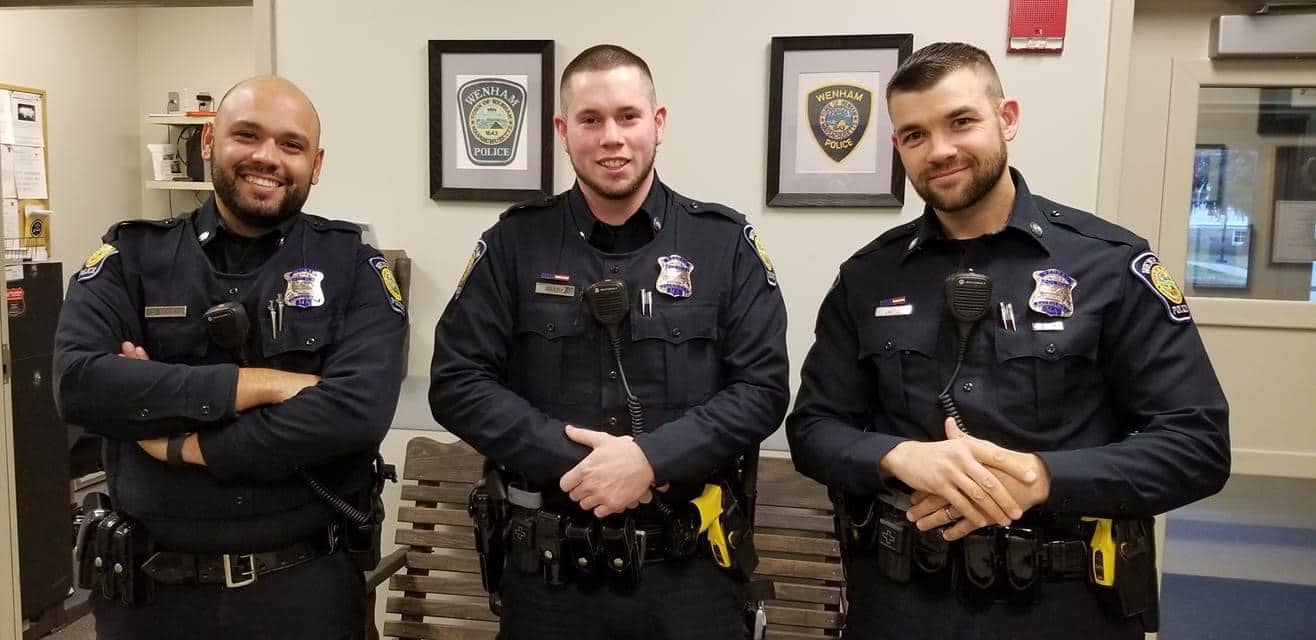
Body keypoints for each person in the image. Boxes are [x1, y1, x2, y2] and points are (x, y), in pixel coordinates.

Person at [786, 42, 1229, 639]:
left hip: (1063, 606)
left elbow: (1196, 446)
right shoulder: (867, 277)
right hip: (902, 602)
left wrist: (1042, 478)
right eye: (915, 135)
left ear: (1007, 118)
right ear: (898, 149)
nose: (940, 150)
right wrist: (901, 457)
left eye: (961, 121)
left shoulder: (1109, 265)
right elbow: (813, 428)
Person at [430, 44, 789, 639]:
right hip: (549, 576)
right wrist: (583, 466)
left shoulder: (723, 245)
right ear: (562, 131)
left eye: (628, 116)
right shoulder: (515, 244)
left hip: (689, 574)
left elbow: (762, 388)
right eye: (591, 120)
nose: (612, 138)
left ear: (659, 123)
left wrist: (650, 460)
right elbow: (456, 382)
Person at [54, 76, 407, 640]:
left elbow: (358, 409)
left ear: (315, 165)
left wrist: (184, 443)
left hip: (302, 590)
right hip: (149, 596)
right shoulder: (131, 254)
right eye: (247, 135)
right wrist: (263, 384)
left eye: (291, 145)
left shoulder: (352, 264)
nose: (267, 157)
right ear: (209, 144)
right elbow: (80, 385)